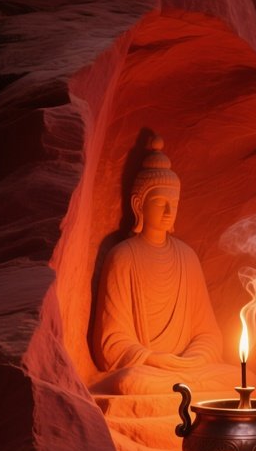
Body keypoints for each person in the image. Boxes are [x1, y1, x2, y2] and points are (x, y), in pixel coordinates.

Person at [92, 136, 238, 395]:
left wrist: (195, 357)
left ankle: (183, 387)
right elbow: (110, 343)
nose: (169, 210)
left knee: (237, 378)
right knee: (131, 383)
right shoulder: (123, 257)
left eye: (175, 202)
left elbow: (209, 334)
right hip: (147, 370)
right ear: (139, 205)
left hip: (190, 369)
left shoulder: (187, 257)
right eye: (160, 202)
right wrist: (152, 359)